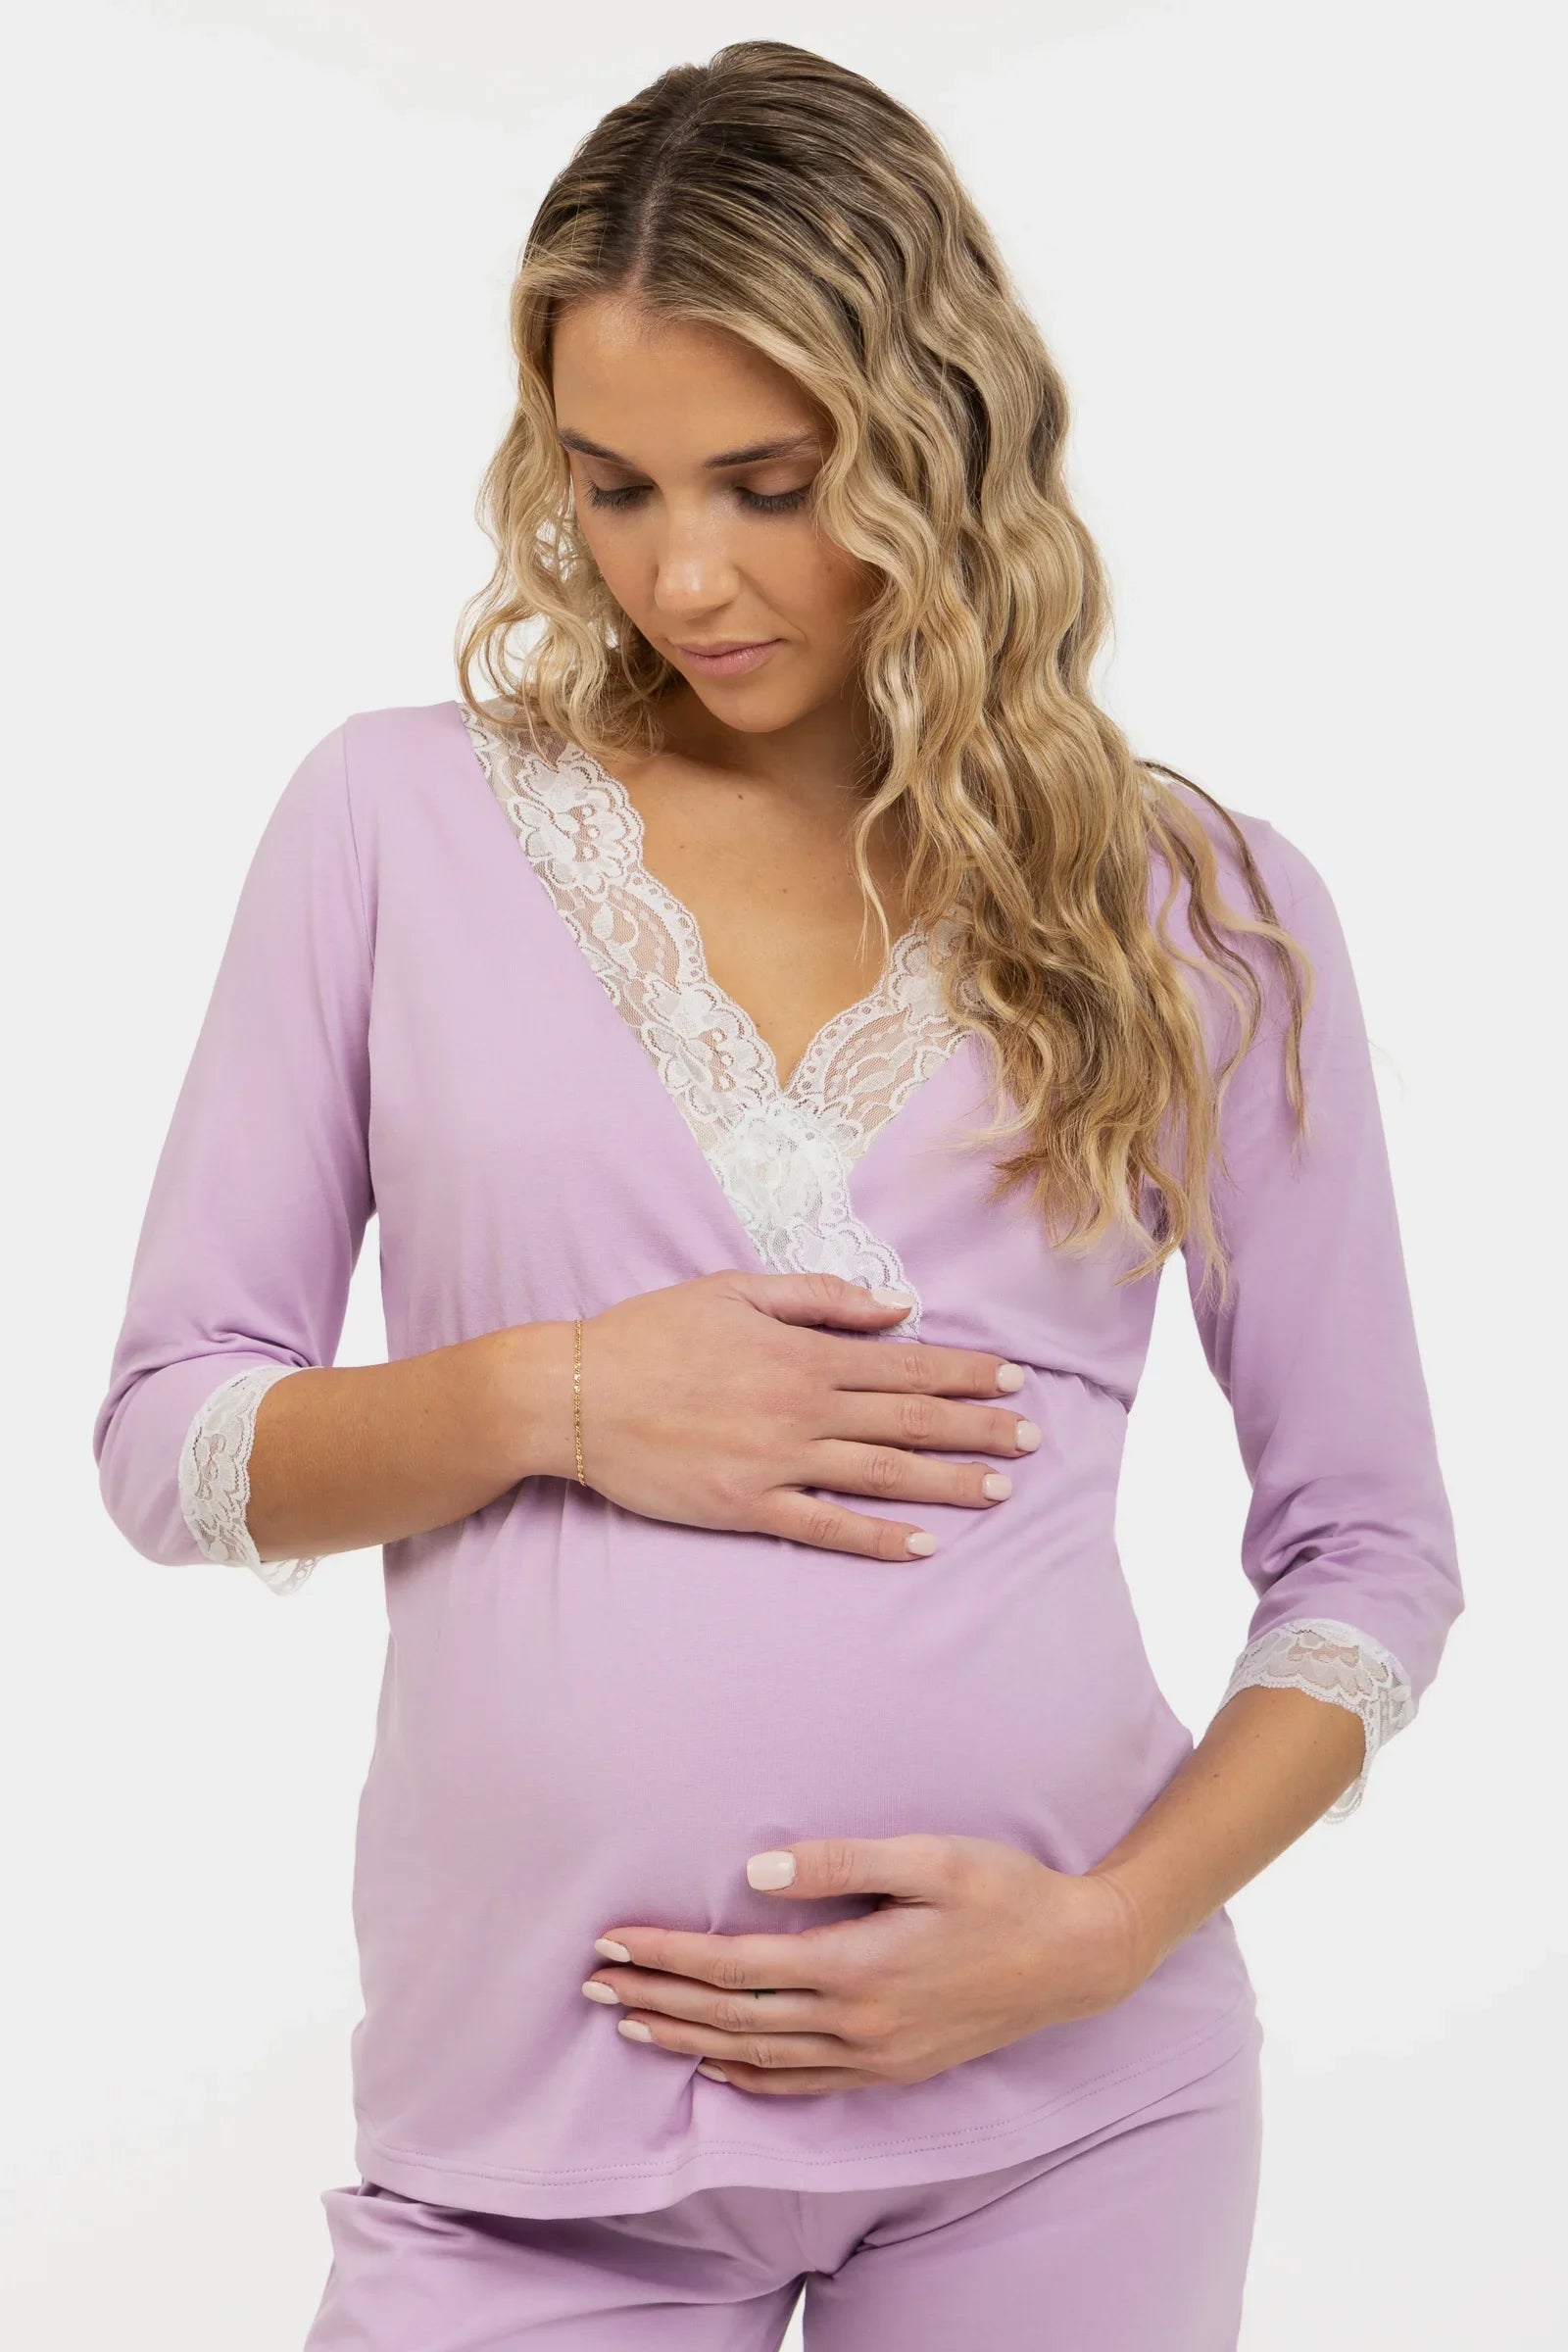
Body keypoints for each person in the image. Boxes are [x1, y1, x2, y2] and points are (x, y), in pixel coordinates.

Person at [89, 37, 1463, 2351]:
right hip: (519, 2160)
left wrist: (1100, 1933)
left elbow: (1367, 1560)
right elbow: (171, 1443)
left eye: (768, 482)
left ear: (937, 439)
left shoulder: (1188, 909)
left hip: (1065, 2119)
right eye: (611, 486)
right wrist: (550, 1396)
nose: (685, 574)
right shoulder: (392, 827)